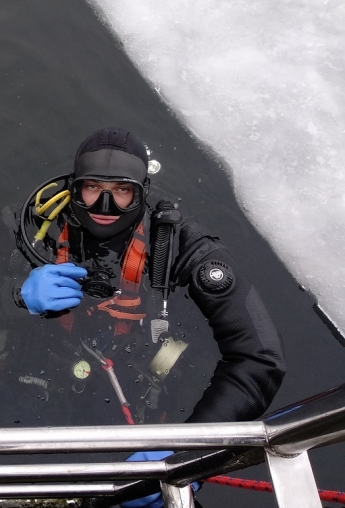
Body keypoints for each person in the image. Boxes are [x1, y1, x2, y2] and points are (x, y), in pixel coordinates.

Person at [16, 127, 286, 507]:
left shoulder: (183, 246)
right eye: (92, 188)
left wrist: (188, 456)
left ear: (142, 192)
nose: (105, 206)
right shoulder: (35, 230)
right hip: (44, 371)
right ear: (73, 188)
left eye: (123, 191)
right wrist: (17, 294)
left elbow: (260, 358)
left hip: (139, 377)